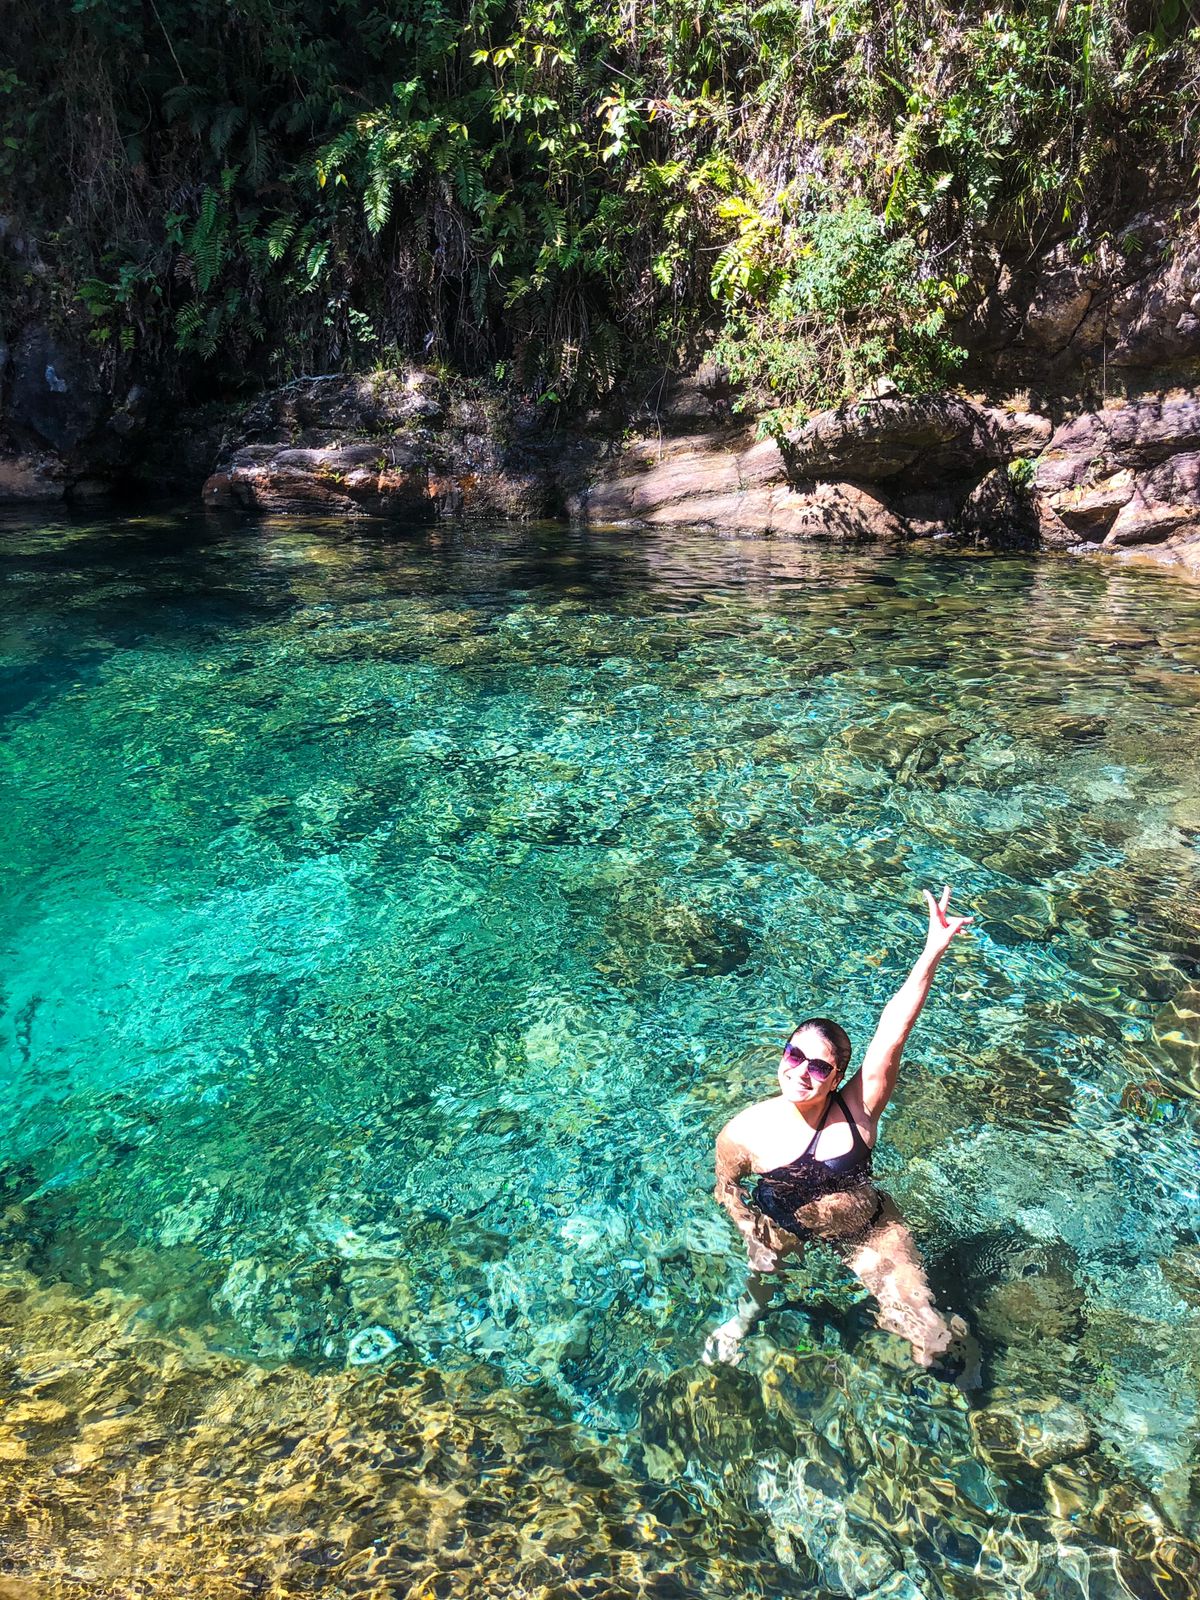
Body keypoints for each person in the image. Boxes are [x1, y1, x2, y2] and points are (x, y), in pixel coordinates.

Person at [706, 885, 973, 1370]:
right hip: (781, 1229)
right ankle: (740, 1323)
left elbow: (892, 1032)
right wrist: (747, 1226)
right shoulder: (743, 1132)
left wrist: (931, 951)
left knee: (928, 1336)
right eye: (794, 1056)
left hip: (866, 1230)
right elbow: (726, 1187)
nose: (801, 1072)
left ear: (836, 1077)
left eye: (819, 1067)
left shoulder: (858, 1109)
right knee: (757, 1289)